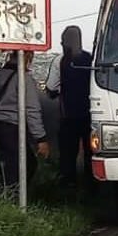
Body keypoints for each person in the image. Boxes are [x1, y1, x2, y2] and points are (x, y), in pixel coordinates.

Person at [0, 51, 49, 194]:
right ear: (28, 58)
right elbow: (32, 110)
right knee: (19, 165)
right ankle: (7, 198)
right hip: (13, 127)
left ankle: (4, 196)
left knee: (10, 163)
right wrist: (40, 138)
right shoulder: (24, 79)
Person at [45, 26, 93, 187]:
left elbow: (51, 89)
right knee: (91, 155)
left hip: (68, 117)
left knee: (67, 156)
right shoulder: (91, 59)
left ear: (65, 42)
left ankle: (68, 188)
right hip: (90, 116)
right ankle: (92, 190)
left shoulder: (60, 61)